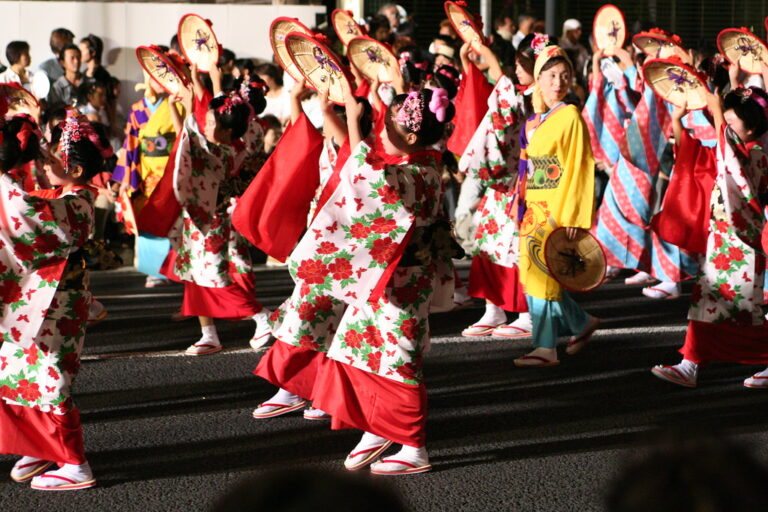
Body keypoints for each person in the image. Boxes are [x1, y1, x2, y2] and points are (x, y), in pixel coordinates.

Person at [307, 87, 457, 475]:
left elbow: (362, 172)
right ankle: (378, 427)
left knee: (400, 358)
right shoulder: (423, 165)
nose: (378, 134)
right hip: (387, 277)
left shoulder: (417, 174)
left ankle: (414, 445)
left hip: (404, 282)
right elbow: (369, 164)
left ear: (409, 138)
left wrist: (354, 121)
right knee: (358, 347)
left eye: (383, 128)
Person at [0, 110, 113, 490]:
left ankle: (76, 463)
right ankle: (41, 444)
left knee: (52, 380)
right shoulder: (65, 195)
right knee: (19, 373)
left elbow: (24, 214)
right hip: (41, 302)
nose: (45, 166)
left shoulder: (79, 204)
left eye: (51, 162)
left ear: (77, 172)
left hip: (57, 305)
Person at [651, 87, 768, 388]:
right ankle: (690, 363)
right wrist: (679, 120)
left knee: (740, 311)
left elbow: (731, 161)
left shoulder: (757, 154)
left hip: (742, 241)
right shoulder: (741, 146)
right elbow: (710, 153)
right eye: (724, 121)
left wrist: (717, 112)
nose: (725, 128)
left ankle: (692, 363)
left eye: (732, 123)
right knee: (710, 302)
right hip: (724, 239)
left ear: (752, 127)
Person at [170, 65, 272, 356]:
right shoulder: (227, 140)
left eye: (213, 122)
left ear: (228, 130)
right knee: (195, 274)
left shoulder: (223, 150)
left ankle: (262, 316)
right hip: (200, 218)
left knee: (216, 277)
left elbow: (192, 136)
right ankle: (209, 334)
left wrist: (189, 101)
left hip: (213, 220)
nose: (208, 124)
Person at [514, 45, 600, 367]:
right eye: (550, 76)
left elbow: (579, 167)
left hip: (555, 207)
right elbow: (525, 168)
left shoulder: (570, 116)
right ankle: (579, 322)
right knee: (538, 273)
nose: (557, 82)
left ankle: (546, 347)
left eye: (564, 76)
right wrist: (518, 203)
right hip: (534, 206)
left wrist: (571, 218)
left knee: (544, 273)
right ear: (538, 79)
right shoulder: (535, 121)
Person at [460, 38, 535, 338]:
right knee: (489, 243)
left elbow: (500, 80)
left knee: (518, 248)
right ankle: (494, 309)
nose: (515, 70)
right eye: (515, 64)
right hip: (501, 184)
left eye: (520, 65)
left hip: (525, 182)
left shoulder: (538, 100)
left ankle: (528, 313)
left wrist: (484, 49)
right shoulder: (517, 94)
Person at [112, 65, 181, 288]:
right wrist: (125, 180)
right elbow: (130, 145)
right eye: (155, 77)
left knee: (173, 220)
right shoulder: (138, 109)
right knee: (147, 219)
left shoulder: (178, 105)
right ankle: (155, 271)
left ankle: (176, 268)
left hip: (171, 170)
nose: (159, 82)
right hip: (146, 173)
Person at [48, 44, 82, 109]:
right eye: (72, 58)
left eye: (78, 57)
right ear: (62, 63)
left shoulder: (88, 81)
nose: (76, 61)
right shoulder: (57, 87)